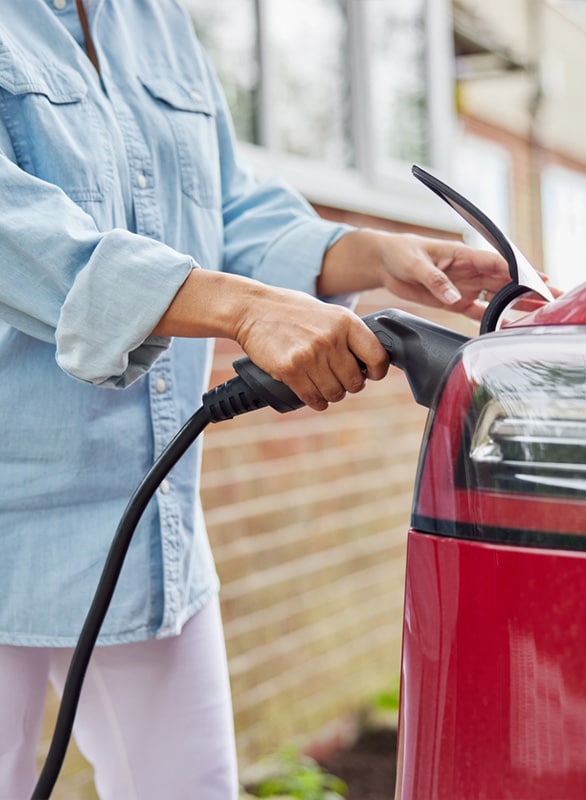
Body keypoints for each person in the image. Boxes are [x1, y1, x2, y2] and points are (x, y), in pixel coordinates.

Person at [0, 0, 511, 797]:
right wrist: (245, 308)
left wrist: (370, 252)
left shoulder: (151, 19)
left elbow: (222, 203)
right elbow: (18, 237)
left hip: (138, 519)